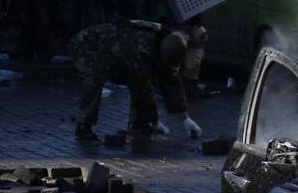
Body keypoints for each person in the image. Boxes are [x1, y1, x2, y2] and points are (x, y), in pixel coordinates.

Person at [69, 20, 203, 142]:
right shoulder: (142, 48)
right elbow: (140, 86)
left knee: (140, 79)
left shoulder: (168, 40)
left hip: (116, 50)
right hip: (86, 45)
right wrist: (154, 121)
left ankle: (139, 123)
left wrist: (185, 118)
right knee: (97, 76)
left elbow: (171, 80)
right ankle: (83, 126)